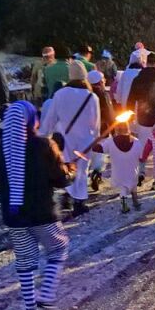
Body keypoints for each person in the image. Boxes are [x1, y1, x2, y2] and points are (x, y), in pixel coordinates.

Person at [0, 101, 74, 310]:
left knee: (25, 260)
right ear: (30, 121)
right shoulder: (44, 145)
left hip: (14, 216)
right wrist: (71, 171)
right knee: (58, 249)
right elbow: (60, 179)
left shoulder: (0, 149)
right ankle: (46, 298)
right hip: (42, 214)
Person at [39, 61, 100, 218]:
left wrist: (43, 136)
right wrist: (95, 139)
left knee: (67, 167)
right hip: (86, 139)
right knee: (81, 171)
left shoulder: (60, 94)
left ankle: (67, 195)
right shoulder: (92, 97)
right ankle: (79, 202)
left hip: (65, 138)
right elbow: (96, 123)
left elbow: (51, 119)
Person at [96, 121, 149, 213]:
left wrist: (92, 144)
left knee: (123, 188)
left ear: (116, 129)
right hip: (132, 171)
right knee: (133, 185)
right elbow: (142, 157)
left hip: (118, 172)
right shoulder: (136, 142)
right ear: (128, 129)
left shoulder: (110, 141)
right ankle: (135, 201)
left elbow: (100, 149)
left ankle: (124, 203)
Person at [87, 70, 114, 193]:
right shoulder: (103, 94)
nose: (104, 81)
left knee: (89, 154)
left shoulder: (85, 93)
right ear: (100, 81)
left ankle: (88, 173)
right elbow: (109, 112)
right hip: (102, 128)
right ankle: (97, 174)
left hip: (86, 129)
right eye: (103, 79)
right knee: (100, 154)